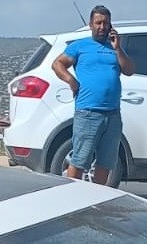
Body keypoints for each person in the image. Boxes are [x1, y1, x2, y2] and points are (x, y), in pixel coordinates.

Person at [51, 5, 135, 184]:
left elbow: (129, 70)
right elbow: (58, 64)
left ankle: (96, 200)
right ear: (91, 24)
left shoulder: (114, 48)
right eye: (98, 23)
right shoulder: (80, 46)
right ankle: (71, 197)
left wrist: (117, 48)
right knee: (80, 160)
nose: (102, 27)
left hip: (112, 115)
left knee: (106, 163)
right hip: (88, 113)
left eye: (106, 23)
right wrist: (71, 81)